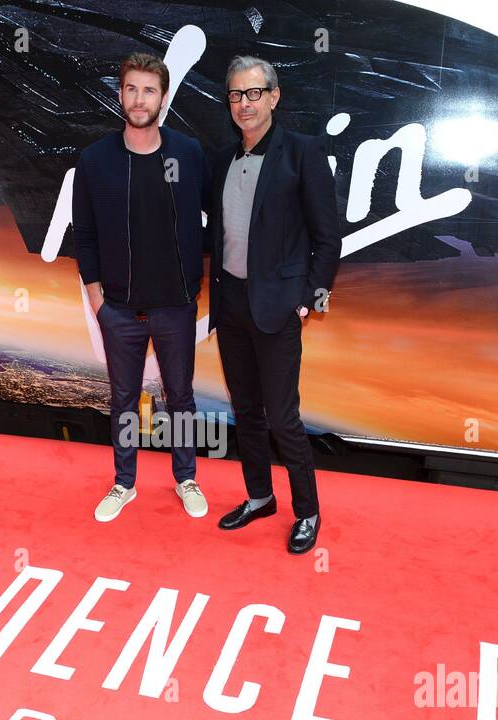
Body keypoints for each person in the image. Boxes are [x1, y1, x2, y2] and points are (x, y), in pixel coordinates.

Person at [206, 55, 340, 554]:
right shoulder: (221, 158)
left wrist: (308, 302)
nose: (245, 104)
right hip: (232, 303)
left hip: (279, 306)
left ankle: (307, 511)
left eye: (254, 93)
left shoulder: (302, 153)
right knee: (247, 411)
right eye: (236, 95)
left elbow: (328, 239)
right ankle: (260, 497)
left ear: (275, 96)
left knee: (283, 417)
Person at [71, 52, 213, 523]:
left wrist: (195, 280)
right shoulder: (95, 160)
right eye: (131, 88)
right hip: (119, 308)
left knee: (181, 397)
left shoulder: (188, 154)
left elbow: (214, 221)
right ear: (120, 95)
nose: (139, 98)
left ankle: (186, 477)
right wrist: (97, 298)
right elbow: (85, 234)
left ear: (163, 98)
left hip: (175, 305)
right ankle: (124, 483)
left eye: (149, 90)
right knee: (123, 400)